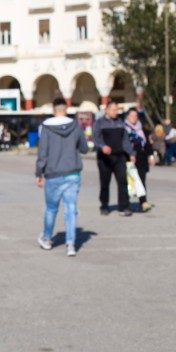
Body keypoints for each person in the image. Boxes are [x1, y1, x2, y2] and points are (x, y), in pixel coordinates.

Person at [35, 98, 89, 257]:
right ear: (66, 109)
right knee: (71, 208)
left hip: (53, 174)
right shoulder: (75, 126)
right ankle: (71, 244)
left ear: (53, 109)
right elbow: (84, 148)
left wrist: (39, 173)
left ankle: (46, 238)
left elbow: (43, 152)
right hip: (72, 173)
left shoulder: (46, 127)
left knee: (51, 208)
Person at [93, 101, 134, 217]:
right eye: (114, 110)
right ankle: (104, 205)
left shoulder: (120, 123)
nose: (116, 112)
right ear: (107, 110)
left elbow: (125, 140)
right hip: (104, 158)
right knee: (105, 183)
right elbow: (95, 138)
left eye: (117, 110)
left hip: (119, 157)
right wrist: (102, 146)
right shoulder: (99, 123)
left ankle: (124, 206)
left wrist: (131, 153)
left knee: (123, 182)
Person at [124, 108, 154, 212]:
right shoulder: (124, 129)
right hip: (128, 158)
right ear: (127, 116)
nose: (134, 118)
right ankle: (126, 204)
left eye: (136, 116)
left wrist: (151, 156)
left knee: (141, 181)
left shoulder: (142, 129)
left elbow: (148, 145)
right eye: (132, 116)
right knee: (128, 182)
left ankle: (143, 202)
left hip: (141, 158)